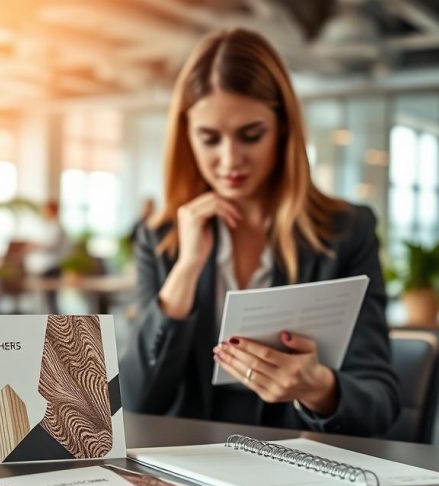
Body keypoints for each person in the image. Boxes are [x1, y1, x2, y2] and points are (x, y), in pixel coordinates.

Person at [119, 29, 399, 437]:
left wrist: (318, 387)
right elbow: (136, 400)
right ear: (187, 136)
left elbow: (379, 402)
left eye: (251, 135)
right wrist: (186, 269)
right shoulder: (161, 237)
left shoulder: (345, 232)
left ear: (283, 128)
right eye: (209, 139)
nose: (230, 159)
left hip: (298, 461)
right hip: (185, 462)